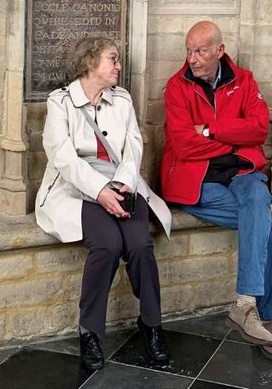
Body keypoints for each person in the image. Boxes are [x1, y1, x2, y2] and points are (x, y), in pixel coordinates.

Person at [159, 21, 272, 364]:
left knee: (256, 201)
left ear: (219, 51)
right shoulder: (176, 87)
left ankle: (246, 305)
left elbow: (259, 128)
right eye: (189, 50)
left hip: (241, 173)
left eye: (201, 51)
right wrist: (233, 140)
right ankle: (267, 320)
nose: (192, 58)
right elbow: (183, 144)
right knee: (261, 218)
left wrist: (208, 129)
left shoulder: (245, 81)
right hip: (197, 180)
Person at [35, 37, 172, 370]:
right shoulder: (60, 102)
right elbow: (63, 157)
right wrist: (100, 191)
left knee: (140, 245)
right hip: (77, 188)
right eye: (113, 59)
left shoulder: (122, 100)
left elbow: (134, 146)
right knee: (108, 245)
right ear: (89, 62)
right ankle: (90, 332)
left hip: (122, 183)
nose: (119, 66)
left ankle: (151, 325)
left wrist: (122, 185)